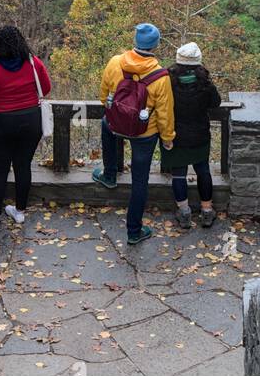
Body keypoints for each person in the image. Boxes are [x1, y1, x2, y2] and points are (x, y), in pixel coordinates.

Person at [93, 23, 175, 246]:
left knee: (105, 124)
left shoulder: (115, 62)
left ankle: (109, 174)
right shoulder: (160, 76)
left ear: (135, 41)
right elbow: (166, 113)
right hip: (144, 133)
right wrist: (167, 139)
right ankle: (134, 231)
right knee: (140, 180)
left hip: (116, 124)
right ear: (156, 45)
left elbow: (103, 96)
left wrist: (116, 114)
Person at [0, 25, 51, 231]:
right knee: (23, 166)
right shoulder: (34, 63)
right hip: (30, 121)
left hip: (1, 123)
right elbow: (45, 89)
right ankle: (19, 212)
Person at [160, 42, 221, 230]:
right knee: (203, 170)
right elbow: (216, 103)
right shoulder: (205, 84)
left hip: (176, 134)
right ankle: (207, 210)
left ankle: (184, 212)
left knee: (179, 174)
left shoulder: (168, 81)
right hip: (200, 133)